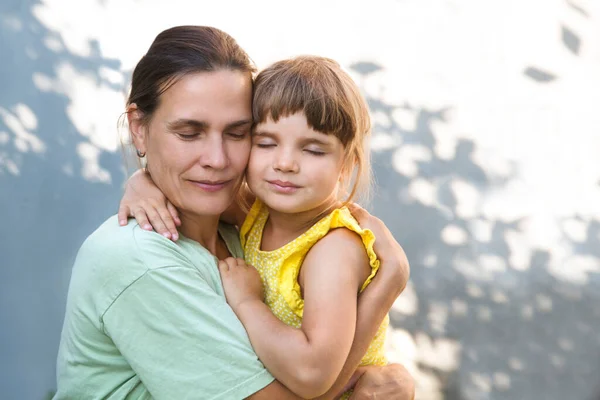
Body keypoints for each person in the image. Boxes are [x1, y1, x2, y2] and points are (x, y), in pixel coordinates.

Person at [54, 25, 413, 399]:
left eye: (237, 133)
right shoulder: (140, 260)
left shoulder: (244, 226)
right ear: (139, 129)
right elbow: (311, 375)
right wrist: (386, 287)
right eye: (189, 133)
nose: (217, 160)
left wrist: (145, 179)